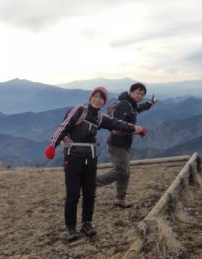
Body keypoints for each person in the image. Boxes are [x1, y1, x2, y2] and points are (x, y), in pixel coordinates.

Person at [44, 87, 145, 242]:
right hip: (73, 158)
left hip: (90, 158)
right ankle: (71, 228)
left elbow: (117, 123)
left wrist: (135, 128)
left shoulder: (99, 117)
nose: (98, 99)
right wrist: (52, 145)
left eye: (101, 98)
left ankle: (87, 223)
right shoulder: (79, 110)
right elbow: (64, 127)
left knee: (90, 192)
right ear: (91, 97)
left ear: (104, 101)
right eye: (95, 96)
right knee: (73, 194)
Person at [96, 82, 155, 208]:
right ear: (131, 91)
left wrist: (149, 104)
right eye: (138, 93)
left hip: (124, 143)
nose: (139, 96)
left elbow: (138, 109)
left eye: (142, 94)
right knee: (121, 171)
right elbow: (117, 125)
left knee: (125, 172)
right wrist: (137, 130)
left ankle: (120, 198)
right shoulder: (124, 105)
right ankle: (93, 183)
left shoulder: (130, 104)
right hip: (118, 144)